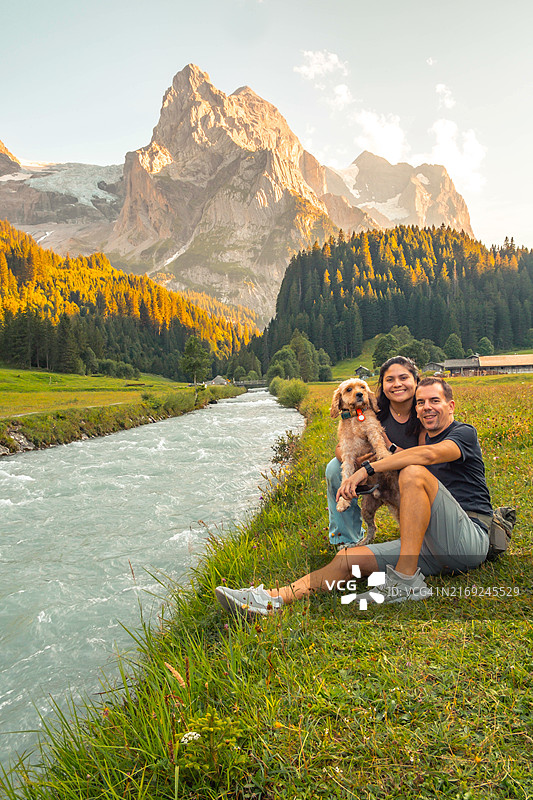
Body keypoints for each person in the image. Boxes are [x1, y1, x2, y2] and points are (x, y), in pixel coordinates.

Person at [216, 377, 492, 616]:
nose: (426, 407)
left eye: (435, 400)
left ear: (451, 405)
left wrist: (365, 471)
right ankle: (269, 600)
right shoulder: (421, 439)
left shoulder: (463, 433)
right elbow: (371, 451)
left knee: (412, 472)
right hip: (428, 545)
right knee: (347, 559)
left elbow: (428, 457)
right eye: (420, 403)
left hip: (468, 539)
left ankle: (406, 580)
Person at [326, 356, 422, 548]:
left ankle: (418, 534)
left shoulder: (425, 408)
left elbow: (423, 454)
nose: (397, 384)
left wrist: (389, 450)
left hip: (409, 470)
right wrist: (358, 462)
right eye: (390, 380)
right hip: (371, 470)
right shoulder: (375, 407)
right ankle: (345, 537)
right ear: (382, 385)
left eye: (403, 378)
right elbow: (342, 448)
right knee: (333, 467)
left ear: (415, 381)